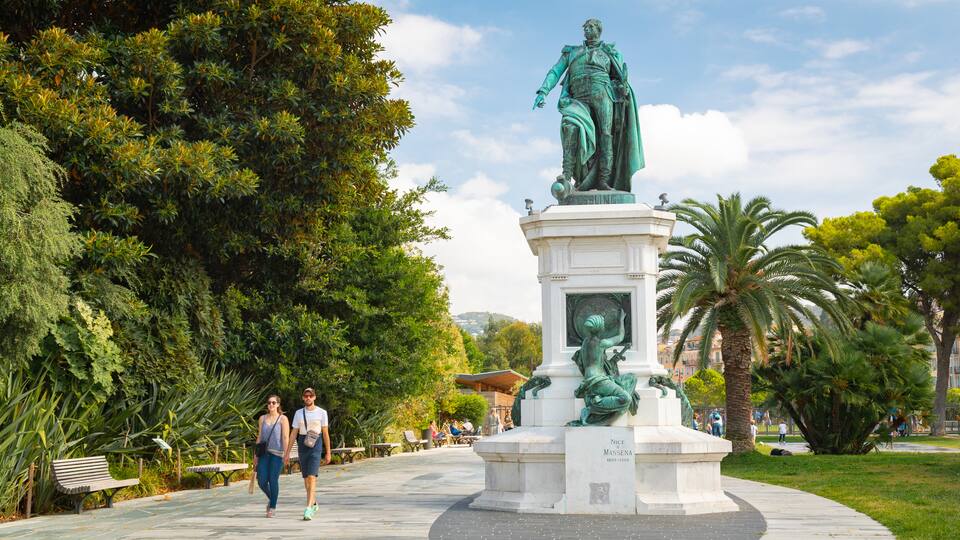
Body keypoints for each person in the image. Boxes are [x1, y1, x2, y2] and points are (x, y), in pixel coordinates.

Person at [533, 18, 644, 197]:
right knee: (570, 127)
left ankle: (604, 179)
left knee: (606, 134)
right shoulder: (572, 52)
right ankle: (567, 175)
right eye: (585, 27)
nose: (586, 29)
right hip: (577, 97)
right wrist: (543, 91)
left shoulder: (610, 52)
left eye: (590, 27)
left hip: (603, 93)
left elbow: (619, 78)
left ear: (599, 30)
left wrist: (623, 89)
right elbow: (555, 71)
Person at [284, 388, 330, 521]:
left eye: (311, 396)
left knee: (312, 477)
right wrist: (287, 453)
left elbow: (325, 433)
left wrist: (328, 452)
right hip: (303, 444)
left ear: (314, 397)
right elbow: (294, 433)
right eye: (306, 396)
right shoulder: (299, 413)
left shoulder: (322, 413)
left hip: (316, 443)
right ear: (303, 398)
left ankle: (308, 508)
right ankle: (314, 503)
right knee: (306, 478)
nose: (308, 398)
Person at [255, 395, 289, 518]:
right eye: (269, 403)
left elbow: (285, 437)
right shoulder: (262, 418)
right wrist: (256, 455)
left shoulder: (283, 419)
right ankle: (273, 498)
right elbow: (259, 436)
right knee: (262, 481)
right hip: (264, 454)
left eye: (274, 403)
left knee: (273, 480)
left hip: (277, 454)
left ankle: (272, 507)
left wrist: (286, 454)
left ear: (278, 405)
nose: (271, 405)